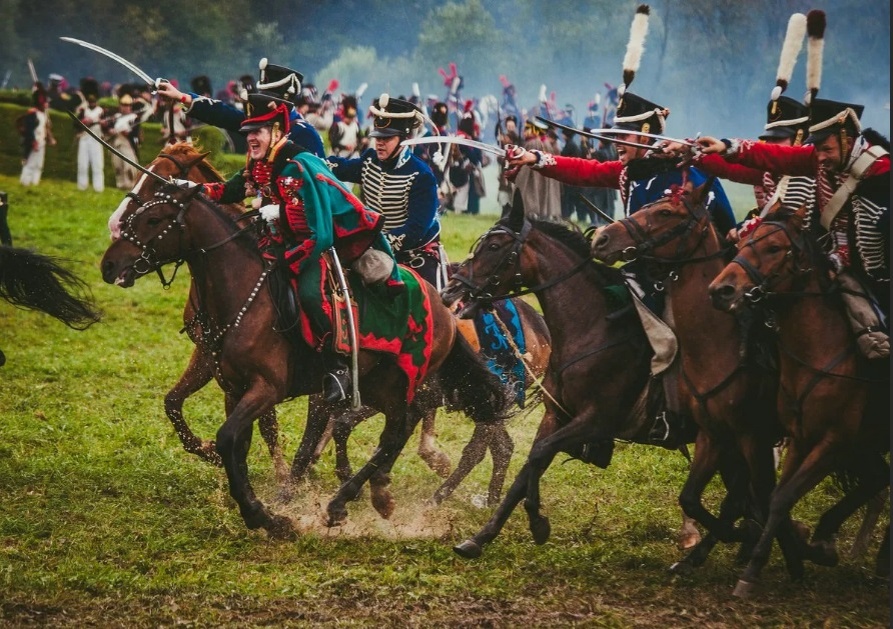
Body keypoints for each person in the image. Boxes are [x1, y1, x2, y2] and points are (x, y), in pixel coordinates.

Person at [504, 4, 736, 446]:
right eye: (620, 135)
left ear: (648, 135)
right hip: (640, 275)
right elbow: (584, 171)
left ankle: (675, 412)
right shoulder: (630, 171)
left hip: (685, 279)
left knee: (668, 342)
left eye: (628, 137)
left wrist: (683, 158)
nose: (620, 145)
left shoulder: (683, 169)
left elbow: (721, 220)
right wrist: (538, 158)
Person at [185, 92, 401, 403]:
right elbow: (232, 188)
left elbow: (318, 229)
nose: (251, 139)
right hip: (273, 244)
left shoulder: (298, 165)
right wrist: (195, 190)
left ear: (276, 131)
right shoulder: (261, 162)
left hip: (311, 249)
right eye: (248, 133)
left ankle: (337, 365)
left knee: (311, 296)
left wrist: (280, 214)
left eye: (257, 132)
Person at [694, 99, 889, 359]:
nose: (819, 156)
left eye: (826, 148)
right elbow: (776, 157)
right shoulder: (825, 159)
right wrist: (726, 147)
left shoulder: (882, 171)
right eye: (817, 148)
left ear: (847, 138)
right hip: (842, 266)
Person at [327, 94, 445, 289]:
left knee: (427, 302)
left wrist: (377, 244)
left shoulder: (421, 176)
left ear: (403, 139)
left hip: (414, 254)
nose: (379, 143)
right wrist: (312, 162)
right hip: (374, 250)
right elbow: (343, 167)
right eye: (377, 137)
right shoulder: (370, 160)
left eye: (387, 138)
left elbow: (415, 230)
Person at [156, 60, 325, 158]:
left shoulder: (304, 133)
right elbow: (222, 114)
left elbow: (318, 183)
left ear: (284, 102)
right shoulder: (261, 122)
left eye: (267, 97)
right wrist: (181, 97)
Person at [107, 92, 151, 189]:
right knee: (118, 166)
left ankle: (131, 186)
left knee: (129, 167)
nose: (125, 107)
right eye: (123, 105)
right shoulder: (116, 116)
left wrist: (127, 133)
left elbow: (135, 133)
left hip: (127, 144)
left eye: (128, 105)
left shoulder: (134, 118)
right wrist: (110, 130)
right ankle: (121, 185)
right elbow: (109, 127)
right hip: (116, 143)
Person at [18, 82, 56, 187]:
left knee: (39, 165)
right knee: (29, 163)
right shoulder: (32, 113)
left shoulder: (43, 115)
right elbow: (30, 130)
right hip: (33, 142)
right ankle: (25, 182)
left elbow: (45, 128)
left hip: (41, 142)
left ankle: (34, 183)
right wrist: (33, 141)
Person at [450, 113, 485, 215]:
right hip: (462, 170)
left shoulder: (458, 136)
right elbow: (473, 156)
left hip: (455, 168)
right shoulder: (465, 139)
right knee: (462, 192)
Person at [73, 79, 105, 192]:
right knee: (82, 164)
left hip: (96, 139)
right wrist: (83, 122)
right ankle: (82, 186)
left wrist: (102, 123)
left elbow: (106, 126)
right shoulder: (83, 110)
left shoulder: (102, 111)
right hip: (84, 138)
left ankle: (99, 188)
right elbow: (75, 124)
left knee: (98, 165)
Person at [559, 128, 587, 222]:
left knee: (568, 200)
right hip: (573, 177)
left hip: (570, 177)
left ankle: (566, 216)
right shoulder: (572, 144)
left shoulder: (570, 145)